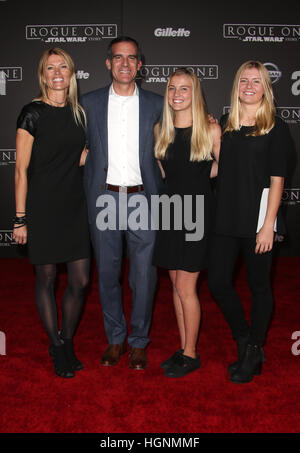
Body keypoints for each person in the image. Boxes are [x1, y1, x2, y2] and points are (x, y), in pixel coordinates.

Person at [208, 60, 294, 383]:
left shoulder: (276, 126)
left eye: (256, 81)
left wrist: (268, 225)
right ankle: (245, 339)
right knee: (217, 282)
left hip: (258, 218)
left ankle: (255, 348)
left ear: (265, 88)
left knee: (259, 287)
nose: (248, 86)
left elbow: (277, 180)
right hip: (225, 216)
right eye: (244, 80)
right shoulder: (227, 122)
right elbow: (221, 166)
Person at [80, 36, 163, 370]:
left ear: (139, 65)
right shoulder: (89, 102)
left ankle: (139, 342)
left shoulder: (159, 103)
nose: (125, 64)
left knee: (144, 276)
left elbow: (186, 132)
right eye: (118, 58)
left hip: (144, 197)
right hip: (104, 199)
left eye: (131, 58)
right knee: (108, 274)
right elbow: (66, 138)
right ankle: (116, 339)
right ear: (108, 63)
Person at [13, 48, 91, 379]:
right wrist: (20, 218)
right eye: (50, 68)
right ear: (43, 75)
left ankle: (68, 339)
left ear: (71, 74)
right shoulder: (32, 113)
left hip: (74, 206)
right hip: (42, 206)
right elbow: (20, 169)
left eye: (63, 67)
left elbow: (77, 157)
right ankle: (57, 346)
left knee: (81, 280)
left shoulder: (79, 114)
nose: (57, 72)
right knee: (45, 279)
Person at [152, 68, 221, 378]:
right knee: (175, 285)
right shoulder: (160, 130)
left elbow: (224, 168)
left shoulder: (210, 130)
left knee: (185, 286)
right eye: (172, 88)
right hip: (169, 211)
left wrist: (198, 181)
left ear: (195, 94)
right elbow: (165, 173)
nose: (176, 94)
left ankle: (191, 354)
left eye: (184, 89)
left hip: (196, 213)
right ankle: (183, 348)